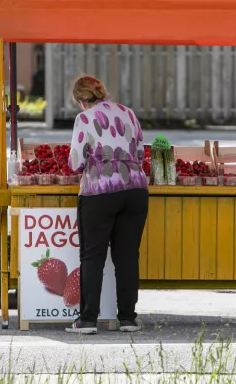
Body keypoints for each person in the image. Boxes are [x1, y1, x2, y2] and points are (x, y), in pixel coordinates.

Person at [65, 75, 149, 335]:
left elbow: (75, 163)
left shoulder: (85, 119)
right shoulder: (128, 112)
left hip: (99, 192)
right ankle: (128, 318)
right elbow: (140, 153)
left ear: (81, 101)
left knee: (93, 256)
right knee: (127, 256)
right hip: (135, 189)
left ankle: (88, 320)